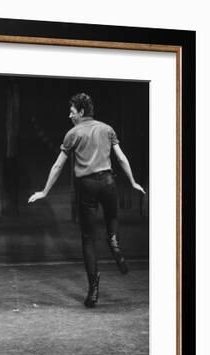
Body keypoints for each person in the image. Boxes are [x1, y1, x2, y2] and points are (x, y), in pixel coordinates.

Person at [28, 93, 145, 308]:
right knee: (111, 218)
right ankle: (113, 241)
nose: (69, 115)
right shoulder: (107, 129)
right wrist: (133, 181)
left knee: (88, 239)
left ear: (81, 112)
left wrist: (45, 191)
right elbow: (120, 157)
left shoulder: (72, 134)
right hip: (109, 182)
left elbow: (58, 165)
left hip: (88, 186)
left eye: (72, 111)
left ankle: (93, 290)